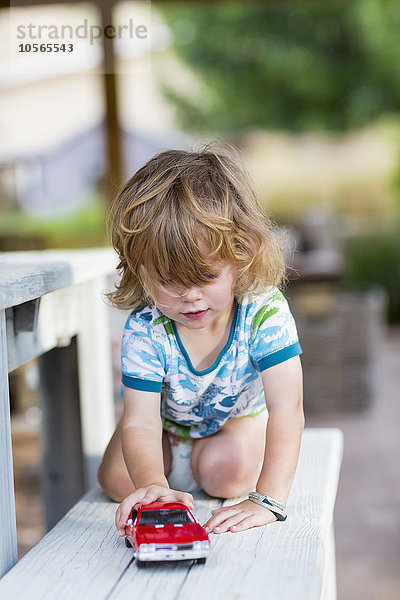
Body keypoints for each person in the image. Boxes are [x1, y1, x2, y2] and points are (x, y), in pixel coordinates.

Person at [98, 144, 304, 537]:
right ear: (140, 271)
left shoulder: (263, 312)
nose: (189, 296)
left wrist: (269, 499)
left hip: (234, 420)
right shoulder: (146, 329)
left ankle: (240, 444)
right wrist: (153, 486)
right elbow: (140, 422)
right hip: (166, 423)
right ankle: (169, 471)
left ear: (240, 256)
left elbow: (288, 407)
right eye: (168, 281)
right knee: (116, 481)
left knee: (224, 475)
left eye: (205, 277)